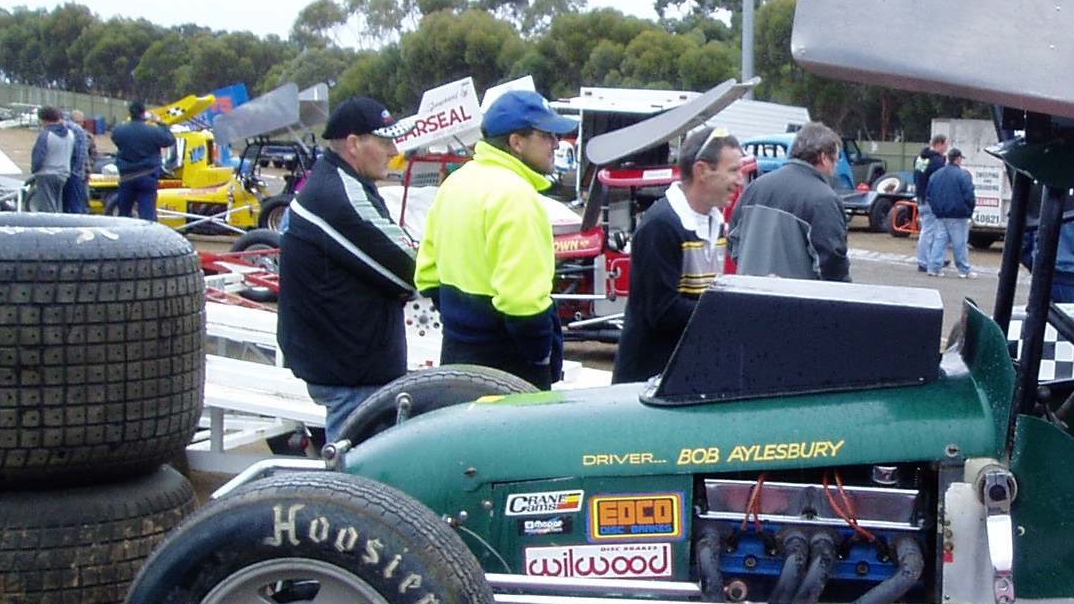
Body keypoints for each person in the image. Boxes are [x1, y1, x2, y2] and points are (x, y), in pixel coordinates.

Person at [414, 87, 579, 391]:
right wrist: (540, 358)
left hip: (456, 355)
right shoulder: (517, 196)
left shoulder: (456, 182)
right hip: (509, 363)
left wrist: (462, 325)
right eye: (547, 135)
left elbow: (427, 274)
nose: (557, 143)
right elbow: (523, 302)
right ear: (516, 142)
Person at [276, 97, 420, 443]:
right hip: (351, 374)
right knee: (357, 486)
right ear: (354, 144)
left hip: (350, 365)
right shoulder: (340, 195)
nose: (394, 151)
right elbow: (411, 269)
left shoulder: (340, 184)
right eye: (385, 142)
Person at [611, 126, 744, 383]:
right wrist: (731, 310)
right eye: (733, 171)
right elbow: (662, 312)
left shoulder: (714, 221)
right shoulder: (661, 226)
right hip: (648, 380)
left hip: (683, 372)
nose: (740, 181)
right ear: (702, 171)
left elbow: (706, 294)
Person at [728, 121, 851, 282]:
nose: (835, 168)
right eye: (835, 160)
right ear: (824, 158)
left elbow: (732, 241)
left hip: (747, 297)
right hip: (796, 304)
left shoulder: (754, 188)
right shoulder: (824, 200)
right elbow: (832, 267)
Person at [109, 100, 175, 221]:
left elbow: (116, 141)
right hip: (147, 176)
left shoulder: (119, 130)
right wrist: (160, 123)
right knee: (147, 214)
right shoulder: (153, 131)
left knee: (123, 214)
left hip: (126, 177)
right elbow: (169, 140)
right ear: (144, 114)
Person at [923, 148, 976, 278]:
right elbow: (969, 195)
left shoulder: (936, 175)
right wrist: (969, 211)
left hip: (941, 215)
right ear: (958, 159)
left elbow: (929, 195)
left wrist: (936, 210)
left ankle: (934, 267)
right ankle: (963, 270)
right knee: (960, 243)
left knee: (940, 241)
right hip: (958, 215)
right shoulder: (963, 175)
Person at [28, 107, 75, 212]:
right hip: (63, 174)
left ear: (44, 120)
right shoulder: (70, 134)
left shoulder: (46, 134)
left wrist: (34, 171)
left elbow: (38, 157)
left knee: (47, 207)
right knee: (58, 205)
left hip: (46, 174)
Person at [913, 134, 948, 272]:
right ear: (939, 144)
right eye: (945, 145)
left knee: (929, 229)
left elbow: (917, 177)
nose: (946, 148)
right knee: (930, 230)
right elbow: (940, 182)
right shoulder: (937, 162)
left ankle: (931, 258)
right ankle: (925, 261)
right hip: (931, 199)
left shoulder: (920, 158)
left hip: (921, 197)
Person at [62, 114, 93, 216]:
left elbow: (93, 154)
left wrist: (89, 167)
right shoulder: (69, 132)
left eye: (80, 122)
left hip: (82, 172)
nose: (78, 124)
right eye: (76, 122)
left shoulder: (88, 136)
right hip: (74, 172)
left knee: (82, 200)